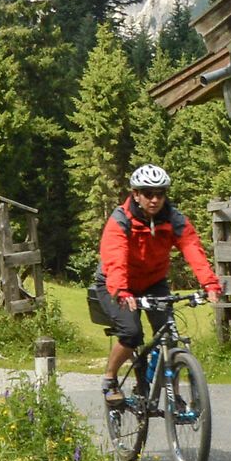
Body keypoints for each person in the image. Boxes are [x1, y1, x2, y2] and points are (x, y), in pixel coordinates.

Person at [94, 164, 218, 408]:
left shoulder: (174, 218)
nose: (154, 199)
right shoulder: (121, 219)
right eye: (148, 194)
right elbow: (115, 256)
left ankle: (174, 396)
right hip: (115, 283)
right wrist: (122, 290)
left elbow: (192, 248)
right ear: (136, 194)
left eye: (160, 194)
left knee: (169, 336)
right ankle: (110, 379)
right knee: (131, 334)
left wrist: (209, 284)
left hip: (153, 282)